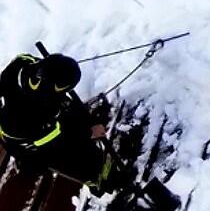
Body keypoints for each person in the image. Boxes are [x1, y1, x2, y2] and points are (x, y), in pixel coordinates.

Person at [0, 53, 126, 193]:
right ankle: (98, 179)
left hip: (18, 118)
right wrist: (89, 132)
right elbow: (59, 135)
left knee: (70, 114)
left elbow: (22, 57)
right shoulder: (42, 109)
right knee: (62, 152)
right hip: (23, 139)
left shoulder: (24, 67)